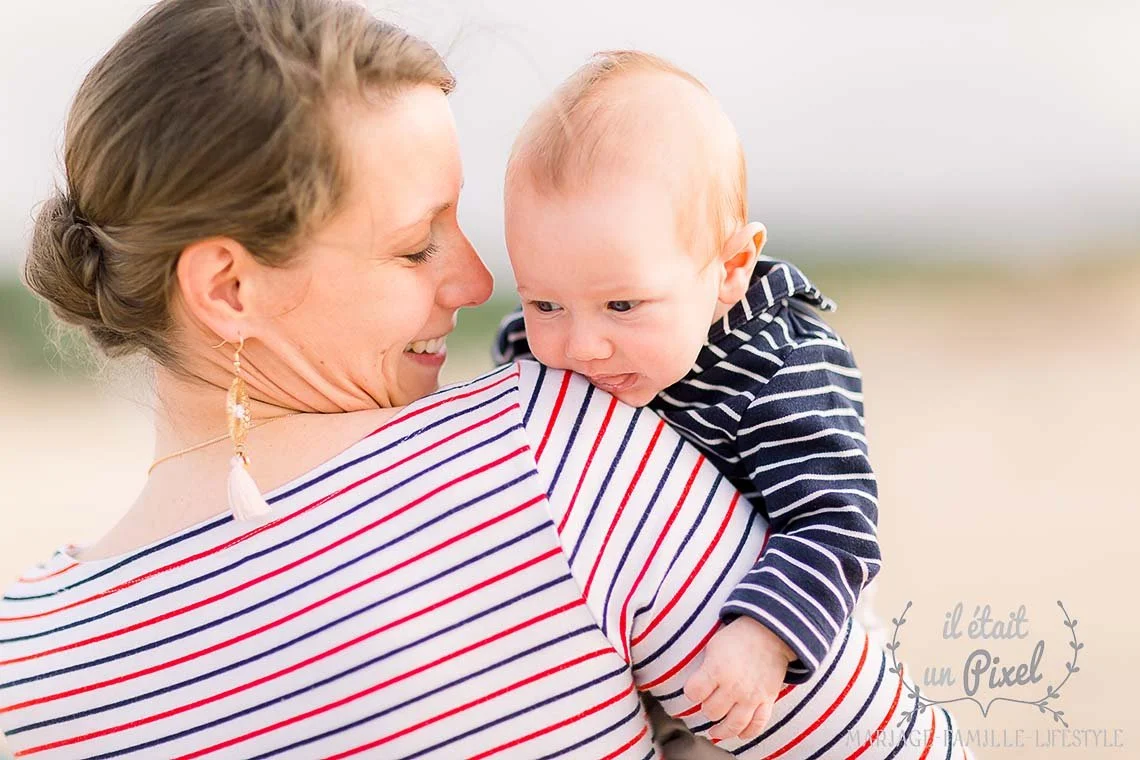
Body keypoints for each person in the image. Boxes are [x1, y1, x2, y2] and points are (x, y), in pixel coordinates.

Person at [0, 1, 967, 758]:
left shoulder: (27, 666)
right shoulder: (555, 451)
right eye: (416, 245)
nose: (474, 281)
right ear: (229, 288)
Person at [493, 51, 884, 753]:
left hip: (760, 662)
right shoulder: (539, 351)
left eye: (622, 305)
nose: (582, 346)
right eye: (544, 302)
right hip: (628, 668)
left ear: (730, 269)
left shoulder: (780, 367)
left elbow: (837, 524)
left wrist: (766, 638)